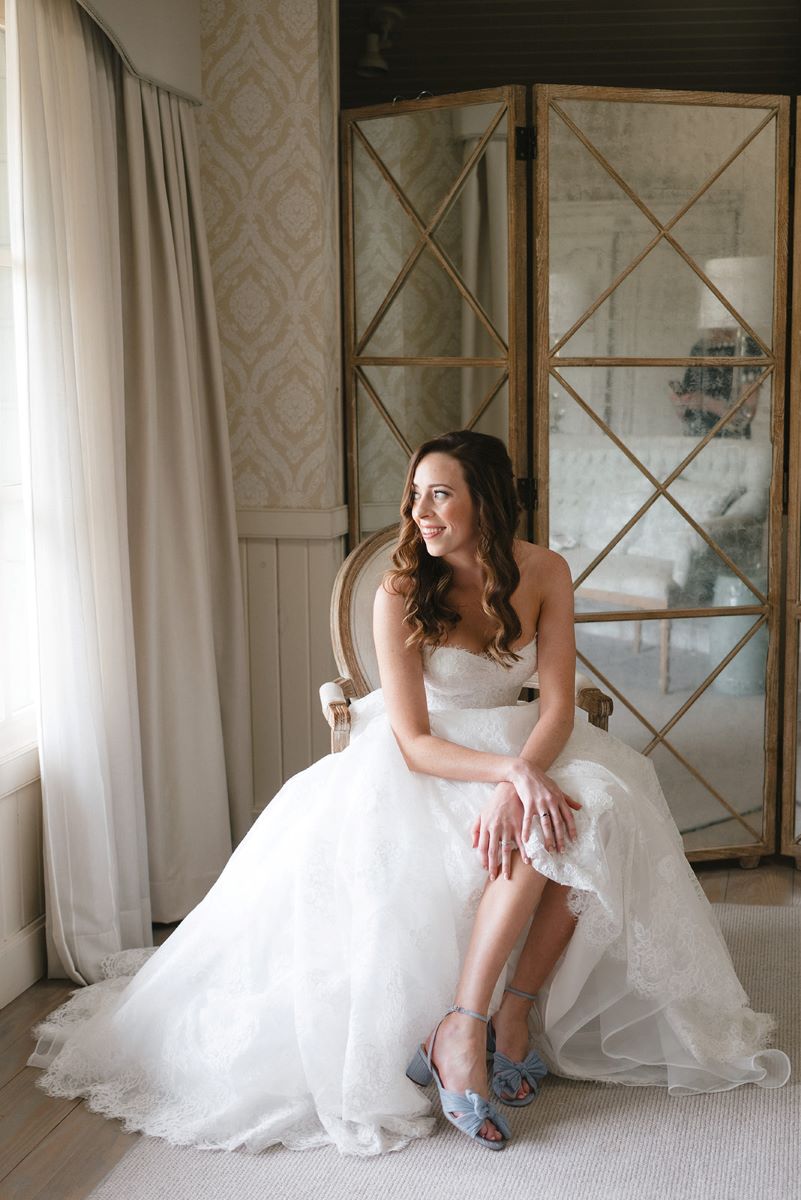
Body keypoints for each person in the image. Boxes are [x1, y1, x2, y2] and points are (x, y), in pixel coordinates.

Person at [30, 430, 789, 1157]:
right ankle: (463, 1028)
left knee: (600, 809)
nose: (419, 513)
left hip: (526, 742)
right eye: (415, 495)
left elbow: (556, 704)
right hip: (425, 760)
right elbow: (413, 741)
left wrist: (525, 769)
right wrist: (510, 778)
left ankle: (512, 1017)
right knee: (536, 825)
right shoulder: (399, 589)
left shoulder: (545, 571)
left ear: (484, 503)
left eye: (439, 495)